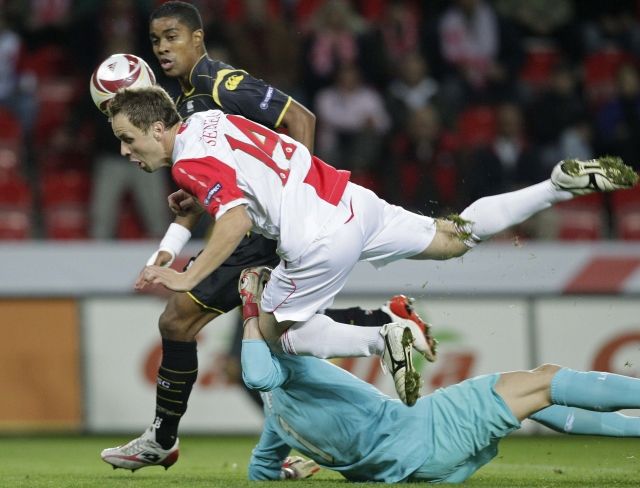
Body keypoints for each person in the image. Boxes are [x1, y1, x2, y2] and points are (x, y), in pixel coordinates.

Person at [99, 0, 433, 472]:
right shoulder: (181, 105)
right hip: (246, 232)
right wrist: (166, 253)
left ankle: (323, 427)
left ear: (198, 37)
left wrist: (299, 205)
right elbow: (205, 193)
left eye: (172, 36)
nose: (163, 48)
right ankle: (384, 324)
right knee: (194, 328)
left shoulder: (219, 81)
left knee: (264, 351)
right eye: (155, 40)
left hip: (274, 231)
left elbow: (301, 120)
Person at [238, 267, 640, 483]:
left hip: (418, 470)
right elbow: (256, 373)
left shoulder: (277, 417)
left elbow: (260, 470)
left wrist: (287, 470)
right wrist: (250, 312)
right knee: (545, 379)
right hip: (423, 432)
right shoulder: (291, 359)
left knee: (532, 401)